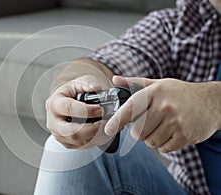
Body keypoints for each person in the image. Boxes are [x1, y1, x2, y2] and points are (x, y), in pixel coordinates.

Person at [34, 0, 221, 194]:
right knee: (79, 147)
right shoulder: (181, 26)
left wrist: (212, 103)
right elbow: (101, 63)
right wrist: (69, 90)